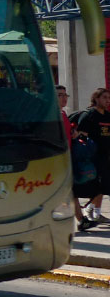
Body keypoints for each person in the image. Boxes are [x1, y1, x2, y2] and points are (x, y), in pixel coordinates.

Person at [58, 85, 99, 231]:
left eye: (65, 95)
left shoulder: (63, 114)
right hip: (58, 160)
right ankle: (81, 219)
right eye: (59, 95)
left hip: (68, 158)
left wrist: (75, 135)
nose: (64, 98)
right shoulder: (53, 116)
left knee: (71, 191)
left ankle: (81, 219)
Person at [76, 87, 110, 224]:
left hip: (105, 156)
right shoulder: (89, 115)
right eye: (104, 98)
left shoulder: (107, 115)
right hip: (93, 157)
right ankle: (91, 211)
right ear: (96, 99)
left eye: (109, 98)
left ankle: (95, 211)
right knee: (98, 185)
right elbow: (81, 136)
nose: (107, 101)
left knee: (104, 185)